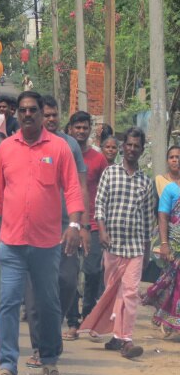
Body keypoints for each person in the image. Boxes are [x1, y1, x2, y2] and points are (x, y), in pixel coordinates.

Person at [0, 91, 83, 375]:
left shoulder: (60, 148)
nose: (27, 115)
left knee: (48, 303)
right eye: (23, 110)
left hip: (46, 243)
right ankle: (7, 366)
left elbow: (73, 190)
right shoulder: (6, 149)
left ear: (42, 113)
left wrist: (75, 226)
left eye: (33, 110)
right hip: (12, 243)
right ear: (17, 114)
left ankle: (50, 359)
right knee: (9, 303)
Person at [24, 95, 90, 362]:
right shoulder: (26, 142)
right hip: (34, 226)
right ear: (39, 115)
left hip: (67, 226)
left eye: (54, 115)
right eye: (46, 114)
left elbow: (81, 185)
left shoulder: (69, 144)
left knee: (67, 281)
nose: (50, 119)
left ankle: (52, 330)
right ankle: (41, 347)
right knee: (34, 290)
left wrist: (82, 224)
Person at [80, 127, 155, 359]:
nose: (132, 149)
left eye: (137, 146)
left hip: (134, 248)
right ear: (124, 147)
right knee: (114, 292)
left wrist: (147, 249)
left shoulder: (146, 182)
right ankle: (116, 336)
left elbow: (148, 219)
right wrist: (101, 231)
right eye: (129, 145)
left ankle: (126, 339)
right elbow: (100, 204)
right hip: (112, 245)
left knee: (130, 292)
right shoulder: (110, 173)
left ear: (142, 150)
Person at [64, 111, 109, 339]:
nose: (81, 131)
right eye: (77, 127)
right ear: (70, 128)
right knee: (70, 274)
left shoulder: (98, 159)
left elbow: (104, 193)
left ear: (90, 130)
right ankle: (72, 322)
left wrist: (102, 225)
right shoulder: (64, 153)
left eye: (85, 127)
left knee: (92, 272)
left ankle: (88, 316)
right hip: (69, 223)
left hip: (91, 224)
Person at [143, 146, 180, 334]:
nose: (175, 160)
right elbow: (163, 216)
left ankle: (169, 317)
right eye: (172, 157)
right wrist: (164, 244)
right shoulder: (169, 189)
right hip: (174, 244)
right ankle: (167, 315)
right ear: (168, 161)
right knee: (171, 281)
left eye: (178, 157)